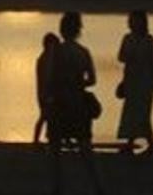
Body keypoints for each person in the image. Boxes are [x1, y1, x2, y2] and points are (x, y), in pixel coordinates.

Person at [46, 12, 104, 195]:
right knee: (85, 147)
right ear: (78, 30)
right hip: (78, 103)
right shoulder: (83, 52)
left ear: (62, 30)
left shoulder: (57, 51)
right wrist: (79, 83)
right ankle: (97, 186)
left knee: (55, 147)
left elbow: (50, 78)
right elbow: (93, 79)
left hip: (61, 103)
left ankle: (58, 186)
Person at [116, 9, 153, 156]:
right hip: (131, 81)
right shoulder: (127, 39)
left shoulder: (150, 41)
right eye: (130, 20)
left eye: (133, 20)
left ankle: (152, 146)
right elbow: (121, 57)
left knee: (143, 115)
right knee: (131, 113)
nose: (130, 23)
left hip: (145, 83)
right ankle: (130, 144)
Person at [33, 32, 61, 144]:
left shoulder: (46, 58)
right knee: (44, 116)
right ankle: (36, 140)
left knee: (47, 117)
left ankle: (41, 139)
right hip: (45, 94)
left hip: (45, 93)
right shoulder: (44, 59)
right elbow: (46, 78)